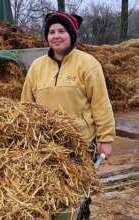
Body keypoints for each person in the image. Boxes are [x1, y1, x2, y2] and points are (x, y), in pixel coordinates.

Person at [21, 12, 115, 219]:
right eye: (52, 32)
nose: (56, 36)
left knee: (79, 198)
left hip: (80, 145)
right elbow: (26, 107)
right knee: (45, 197)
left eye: (62, 31)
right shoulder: (36, 67)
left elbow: (101, 105)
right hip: (44, 146)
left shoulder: (88, 64)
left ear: (71, 34)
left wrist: (106, 140)